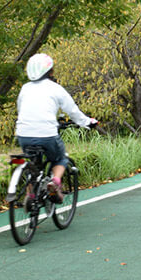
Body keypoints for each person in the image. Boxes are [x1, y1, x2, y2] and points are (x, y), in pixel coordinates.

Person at [15, 52, 97, 202]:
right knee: (60, 158)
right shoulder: (55, 88)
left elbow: (20, 110)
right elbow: (72, 111)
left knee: (33, 165)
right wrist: (88, 122)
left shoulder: (25, 88)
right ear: (50, 72)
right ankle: (55, 182)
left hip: (24, 134)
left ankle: (30, 195)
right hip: (47, 134)